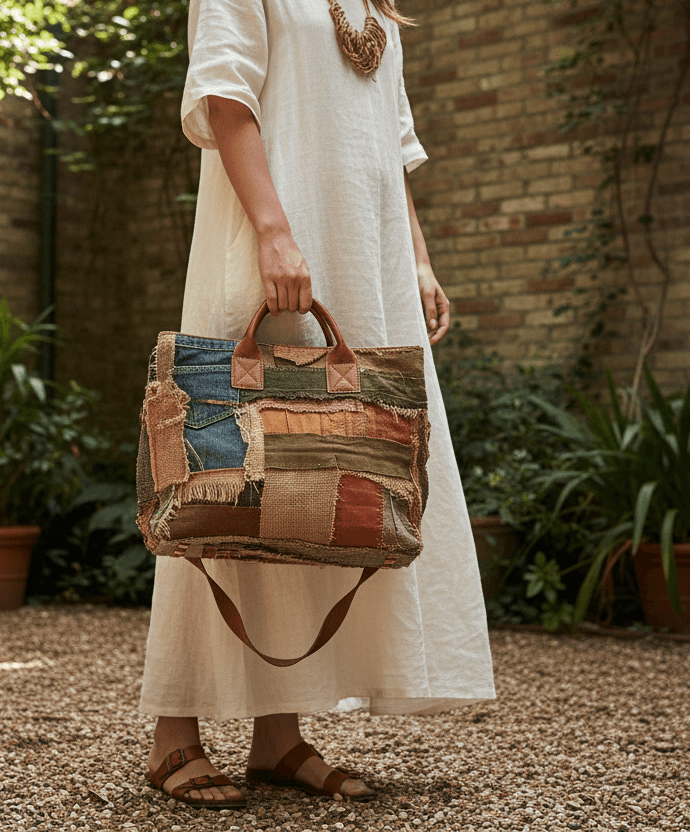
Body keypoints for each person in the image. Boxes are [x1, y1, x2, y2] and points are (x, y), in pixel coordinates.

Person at [140, 0, 496, 807]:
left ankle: (280, 737)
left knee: (320, 486)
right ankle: (173, 732)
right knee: (229, 476)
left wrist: (419, 260)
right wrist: (272, 232)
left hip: (361, 260)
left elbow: (386, 148)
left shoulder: (373, 5)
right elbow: (227, 98)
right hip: (274, 241)